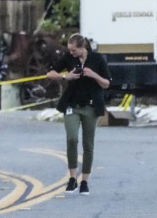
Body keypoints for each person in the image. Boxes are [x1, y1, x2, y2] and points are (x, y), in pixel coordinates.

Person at [46, 33, 111, 195]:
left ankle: (84, 181)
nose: (71, 53)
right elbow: (49, 73)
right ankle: (72, 178)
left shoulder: (97, 59)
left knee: (88, 144)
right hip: (72, 105)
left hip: (91, 106)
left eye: (74, 50)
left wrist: (93, 74)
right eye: (70, 50)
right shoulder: (68, 58)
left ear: (83, 48)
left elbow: (106, 83)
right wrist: (65, 76)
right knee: (72, 138)